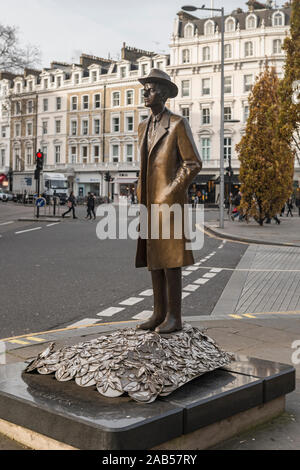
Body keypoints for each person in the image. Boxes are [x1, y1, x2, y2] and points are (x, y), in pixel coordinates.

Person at [135, 68, 202, 334]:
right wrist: (140, 189)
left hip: (169, 202)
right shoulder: (142, 127)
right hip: (148, 202)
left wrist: (171, 191)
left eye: (149, 89)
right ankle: (158, 312)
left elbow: (193, 163)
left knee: (171, 260)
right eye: (145, 89)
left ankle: (174, 316)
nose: (145, 93)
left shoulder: (177, 124)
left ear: (162, 93)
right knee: (154, 256)